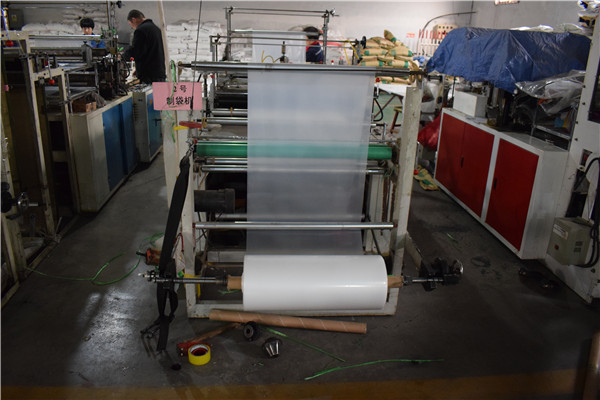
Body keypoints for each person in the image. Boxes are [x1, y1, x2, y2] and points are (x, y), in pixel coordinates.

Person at [123, 9, 166, 84]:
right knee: (158, 91)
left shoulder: (141, 30)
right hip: (159, 73)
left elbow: (136, 51)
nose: (132, 27)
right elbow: (149, 52)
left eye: (130, 25)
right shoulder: (156, 29)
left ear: (134, 20)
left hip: (149, 76)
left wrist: (122, 57)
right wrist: (139, 69)